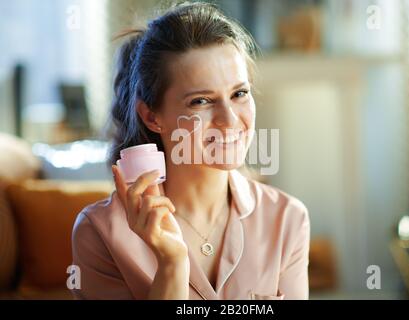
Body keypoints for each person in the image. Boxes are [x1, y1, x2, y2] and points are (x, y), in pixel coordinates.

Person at [71, 1, 310, 300]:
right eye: (201, 101)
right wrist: (171, 265)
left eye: (239, 93)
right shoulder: (100, 233)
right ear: (151, 116)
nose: (230, 120)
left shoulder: (287, 219)